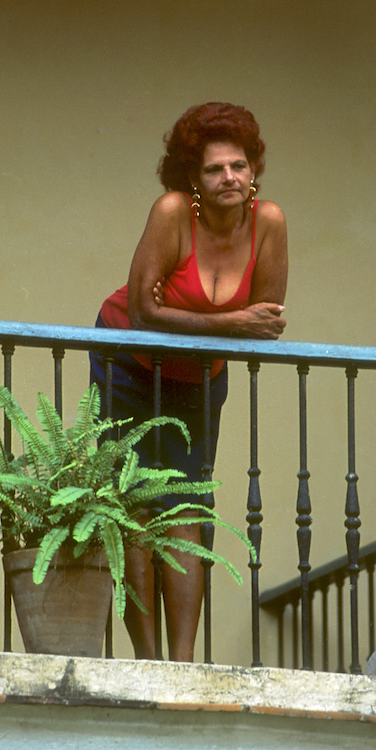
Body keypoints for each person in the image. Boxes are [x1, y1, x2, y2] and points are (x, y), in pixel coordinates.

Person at [89, 101, 288, 661]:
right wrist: (230, 323)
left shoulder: (269, 222)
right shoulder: (173, 213)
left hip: (199, 375)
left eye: (238, 166)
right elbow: (142, 312)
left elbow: (266, 321)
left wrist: (200, 323)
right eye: (213, 168)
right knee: (133, 504)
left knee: (185, 510)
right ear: (193, 179)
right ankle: (147, 660)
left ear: (253, 170)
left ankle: (180, 665)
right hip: (127, 361)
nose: (229, 177)